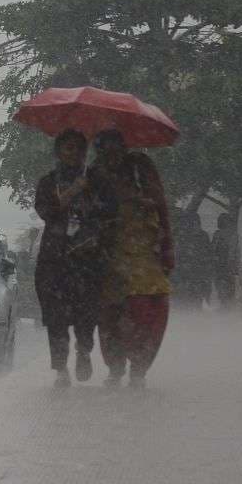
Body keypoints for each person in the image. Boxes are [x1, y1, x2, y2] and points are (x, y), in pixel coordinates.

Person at [89, 131, 174, 389]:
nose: (111, 156)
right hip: (110, 259)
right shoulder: (93, 174)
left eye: (116, 150)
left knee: (147, 317)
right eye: (105, 151)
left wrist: (136, 200)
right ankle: (115, 367)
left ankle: (138, 369)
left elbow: (159, 207)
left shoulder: (140, 167)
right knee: (110, 318)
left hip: (144, 259)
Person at [33, 130, 114, 386]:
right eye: (68, 149)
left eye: (78, 149)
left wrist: (90, 198)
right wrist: (70, 193)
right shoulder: (48, 182)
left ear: (85, 153)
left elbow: (111, 211)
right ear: (58, 152)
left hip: (87, 261)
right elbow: (46, 212)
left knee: (86, 314)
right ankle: (60, 369)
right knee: (56, 318)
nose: (73, 154)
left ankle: (83, 351)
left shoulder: (97, 181)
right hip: (54, 261)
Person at [171, 210, 213, 310]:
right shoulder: (185, 235)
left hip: (192, 272)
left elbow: (207, 254)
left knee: (191, 298)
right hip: (190, 272)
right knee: (190, 298)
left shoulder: (184, 235)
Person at [212, 212, 237, 310]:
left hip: (224, 266)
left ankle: (225, 305)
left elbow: (233, 251)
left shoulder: (229, 235)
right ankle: (225, 305)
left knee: (224, 286)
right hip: (223, 266)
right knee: (224, 286)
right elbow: (213, 249)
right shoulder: (219, 234)